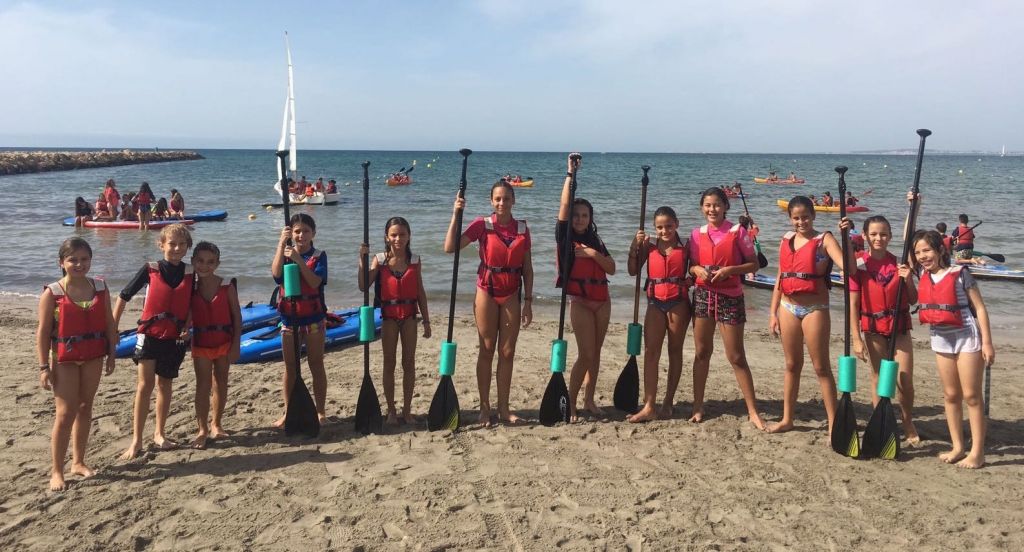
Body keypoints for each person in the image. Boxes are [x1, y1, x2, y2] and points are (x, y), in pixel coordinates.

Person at [444, 179, 534, 426]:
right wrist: (456, 212)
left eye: (506, 198)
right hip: (486, 290)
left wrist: (528, 301)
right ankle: (485, 408)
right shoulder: (481, 225)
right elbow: (450, 247)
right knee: (486, 348)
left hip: (512, 294)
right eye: (497, 199)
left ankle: (504, 409)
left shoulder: (523, 229)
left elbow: (527, 267)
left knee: (507, 352)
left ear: (513, 200)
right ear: (491, 201)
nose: (501, 203)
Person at [35, 237, 117, 490]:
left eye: (84, 259)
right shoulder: (53, 293)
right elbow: (42, 331)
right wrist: (43, 367)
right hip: (65, 360)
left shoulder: (100, 288)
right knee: (65, 412)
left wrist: (112, 354)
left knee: (85, 407)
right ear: (62, 262)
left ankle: (78, 462)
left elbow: (109, 324)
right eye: (73, 260)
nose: (79, 264)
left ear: (90, 260)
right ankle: (57, 470)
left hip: (93, 356)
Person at [911, 230, 994, 468]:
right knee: (950, 395)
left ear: (940, 250)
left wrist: (987, 342)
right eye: (918, 252)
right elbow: (908, 241)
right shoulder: (921, 274)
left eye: (927, 250)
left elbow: (979, 308)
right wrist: (913, 205)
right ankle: (958, 447)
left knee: (971, 395)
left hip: (967, 337)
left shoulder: (960, 273)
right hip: (940, 338)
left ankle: (977, 452)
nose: (922, 256)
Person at [767, 196, 848, 434]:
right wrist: (772, 313)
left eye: (805, 217)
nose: (801, 222)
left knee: (821, 366)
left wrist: (846, 239)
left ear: (813, 216)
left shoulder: (825, 240)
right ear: (789, 218)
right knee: (792, 364)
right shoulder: (786, 240)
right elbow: (780, 279)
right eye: (796, 218)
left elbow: (848, 267)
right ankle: (787, 419)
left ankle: (834, 424)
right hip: (787, 307)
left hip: (815, 309)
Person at [114, 223, 194, 459]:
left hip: (174, 337)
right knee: (144, 385)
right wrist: (113, 327)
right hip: (149, 335)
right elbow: (123, 296)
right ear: (161, 245)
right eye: (172, 244)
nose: (177, 248)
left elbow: (191, 304)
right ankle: (136, 440)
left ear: (188, 247)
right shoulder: (150, 269)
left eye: (182, 244)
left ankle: (159, 433)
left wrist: (187, 327)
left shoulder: (191, 273)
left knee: (165, 385)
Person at [688, 188, 766, 429]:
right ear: (702, 208)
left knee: (736, 356)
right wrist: (696, 270)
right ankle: (697, 406)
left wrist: (729, 270)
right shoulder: (695, 234)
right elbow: (691, 265)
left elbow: (754, 263)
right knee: (702, 353)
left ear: (725, 207)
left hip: (730, 297)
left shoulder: (738, 232)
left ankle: (753, 411)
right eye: (708, 205)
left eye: (717, 205)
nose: (712, 209)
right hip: (703, 297)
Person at [843, 214, 919, 443]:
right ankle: (880, 421)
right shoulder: (858, 265)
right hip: (873, 328)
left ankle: (907, 421)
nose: (879, 238)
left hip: (899, 328)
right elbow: (853, 305)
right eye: (874, 234)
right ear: (864, 236)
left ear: (890, 236)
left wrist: (907, 279)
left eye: (884, 234)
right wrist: (856, 339)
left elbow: (914, 300)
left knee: (904, 378)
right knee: (878, 377)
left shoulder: (900, 262)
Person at [556, 153, 615, 421]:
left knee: (596, 353)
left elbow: (612, 268)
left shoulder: (595, 241)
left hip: (603, 301)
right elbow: (564, 205)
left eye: (584, 216)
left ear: (590, 218)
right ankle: (570, 401)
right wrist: (570, 174)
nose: (579, 219)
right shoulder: (564, 237)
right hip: (580, 302)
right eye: (576, 215)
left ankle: (590, 399)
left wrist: (592, 254)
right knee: (586, 353)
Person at [358, 217, 431, 425]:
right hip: (389, 317)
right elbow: (364, 285)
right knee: (389, 364)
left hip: (409, 317)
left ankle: (407, 411)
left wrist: (426, 321)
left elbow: (420, 292)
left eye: (402, 234)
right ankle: (391, 412)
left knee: (409, 363)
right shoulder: (379, 260)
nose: (398, 238)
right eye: (394, 235)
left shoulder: (415, 260)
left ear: (409, 236)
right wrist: (361, 260)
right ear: (386, 237)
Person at [626, 206, 689, 423]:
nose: (665, 231)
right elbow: (633, 270)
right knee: (651, 352)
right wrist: (635, 246)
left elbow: (697, 270)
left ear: (676, 224)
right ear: (655, 228)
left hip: (679, 304)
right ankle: (649, 405)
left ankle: (668, 402)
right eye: (660, 227)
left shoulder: (686, 247)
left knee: (674, 351)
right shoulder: (648, 247)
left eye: (669, 226)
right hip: (655, 303)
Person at [271, 214, 329, 426]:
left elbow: (315, 282)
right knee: (291, 367)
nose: (301, 235)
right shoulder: (285, 253)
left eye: (305, 231)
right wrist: (281, 244)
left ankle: (320, 411)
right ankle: (289, 411)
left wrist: (298, 260)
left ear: (313, 233)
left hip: (314, 318)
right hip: (289, 318)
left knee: (315, 363)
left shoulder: (319, 255)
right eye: (296, 231)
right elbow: (276, 275)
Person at [189, 242, 241, 448]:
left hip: (223, 342)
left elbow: (237, 317)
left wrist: (236, 344)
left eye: (210, 262)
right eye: (200, 261)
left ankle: (217, 424)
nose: (204, 266)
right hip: (201, 343)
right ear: (193, 262)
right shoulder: (190, 287)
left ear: (217, 263)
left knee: (221, 381)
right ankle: (202, 429)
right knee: (202, 385)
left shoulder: (226, 285)